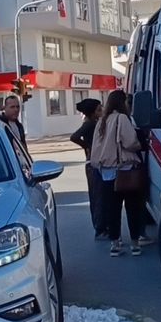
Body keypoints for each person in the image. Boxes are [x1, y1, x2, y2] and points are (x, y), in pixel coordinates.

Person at [90, 90, 148, 257]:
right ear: (123, 103)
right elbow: (130, 142)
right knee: (132, 208)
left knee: (112, 209)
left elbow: (96, 147)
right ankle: (135, 243)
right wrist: (139, 145)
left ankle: (115, 243)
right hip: (125, 170)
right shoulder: (122, 118)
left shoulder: (102, 120)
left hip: (107, 171)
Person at [70, 98, 107, 240]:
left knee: (100, 196)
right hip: (92, 164)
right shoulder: (90, 124)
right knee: (97, 196)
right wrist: (87, 146)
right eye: (99, 109)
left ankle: (102, 226)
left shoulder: (95, 123)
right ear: (92, 112)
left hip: (96, 162)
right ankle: (100, 227)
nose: (101, 111)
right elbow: (74, 137)